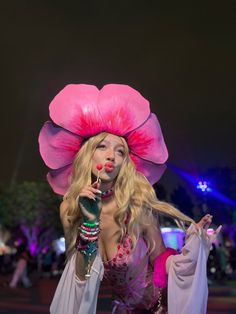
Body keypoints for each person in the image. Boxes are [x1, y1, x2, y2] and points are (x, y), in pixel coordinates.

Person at [39, 84, 221, 314]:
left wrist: (191, 252)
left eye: (120, 151)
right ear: (87, 153)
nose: (111, 157)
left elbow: (160, 259)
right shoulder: (70, 207)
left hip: (158, 308)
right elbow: (80, 275)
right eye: (102, 146)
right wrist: (90, 222)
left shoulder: (135, 205)